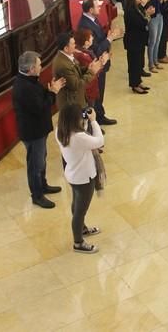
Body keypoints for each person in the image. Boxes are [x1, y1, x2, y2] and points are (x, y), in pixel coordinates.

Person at [12, 51, 65, 209]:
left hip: (38, 130)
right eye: (39, 65)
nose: (41, 66)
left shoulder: (29, 80)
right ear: (31, 69)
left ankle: (43, 185)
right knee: (35, 164)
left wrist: (49, 92)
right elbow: (40, 107)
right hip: (32, 132)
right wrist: (53, 92)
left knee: (41, 160)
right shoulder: (24, 87)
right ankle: (37, 195)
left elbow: (41, 98)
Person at [55, 104, 104, 254]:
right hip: (84, 177)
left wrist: (86, 123)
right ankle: (78, 242)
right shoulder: (78, 137)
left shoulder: (60, 131)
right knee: (80, 211)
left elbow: (85, 139)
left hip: (73, 174)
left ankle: (81, 229)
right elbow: (99, 141)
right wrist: (94, 121)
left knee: (76, 204)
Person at [77, 0, 121, 125]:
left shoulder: (93, 20)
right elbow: (95, 49)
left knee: (100, 93)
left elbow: (100, 38)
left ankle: (100, 116)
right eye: (97, 7)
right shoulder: (85, 25)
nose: (100, 8)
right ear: (90, 10)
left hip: (102, 62)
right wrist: (110, 38)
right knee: (94, 96)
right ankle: (93, 122)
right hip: (95, 64)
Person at [52, 32, 103, 110]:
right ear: (66, 48)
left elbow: (76, 70)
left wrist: (88, 68)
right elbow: (77, 84)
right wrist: (92, 72)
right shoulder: (63, 65)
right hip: (72, 104)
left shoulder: (67, 56)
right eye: (73, 44)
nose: (75, 46)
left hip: (78, 99)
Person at [123, 0, 152, 94]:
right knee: (134, 64)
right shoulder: (130, 11)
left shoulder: (137, 7)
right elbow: (141, 23)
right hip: (133, 41)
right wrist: (148, 15)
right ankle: (134, 85)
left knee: (139, 62)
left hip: (139, 40)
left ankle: (138, 81)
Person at [143, 0, 165, 73]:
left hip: (160, 16)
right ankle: (151, 64)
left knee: (158, 40)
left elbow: (160, 3)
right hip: (152, 18)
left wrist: (162, 0)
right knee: (152, 41)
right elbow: (146, 7)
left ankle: (156, 61)